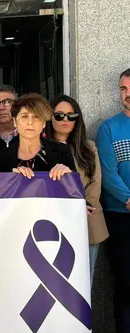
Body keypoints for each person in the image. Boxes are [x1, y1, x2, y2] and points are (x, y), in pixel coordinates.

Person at [0, 93, 74, 333]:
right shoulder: (0, 159)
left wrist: (66, 175)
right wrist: (9, 183)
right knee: (22, 319)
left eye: (36, 117)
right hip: (14, 249)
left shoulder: (60, 154)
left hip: (52, 249)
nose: (29, 122)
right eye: (24, 116)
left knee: (49, 318)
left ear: (44, 121)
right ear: (14, 121)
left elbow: (74, 198)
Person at [47, 95, 108, 283]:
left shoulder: (89, 147)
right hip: (52, 223)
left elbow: (96, 182)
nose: (65, 120)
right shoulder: (41, 148)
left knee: (84, 282)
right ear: (50, 117)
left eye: (71, 116)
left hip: (88, 219)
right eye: (59, 115)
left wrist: (84, 205)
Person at [96, 68, 130, 333]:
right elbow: (107, 171)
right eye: (123, 88)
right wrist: (128, 198)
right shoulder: (109, 128)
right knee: (126, 283)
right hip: (121, 215)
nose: (127, 94)